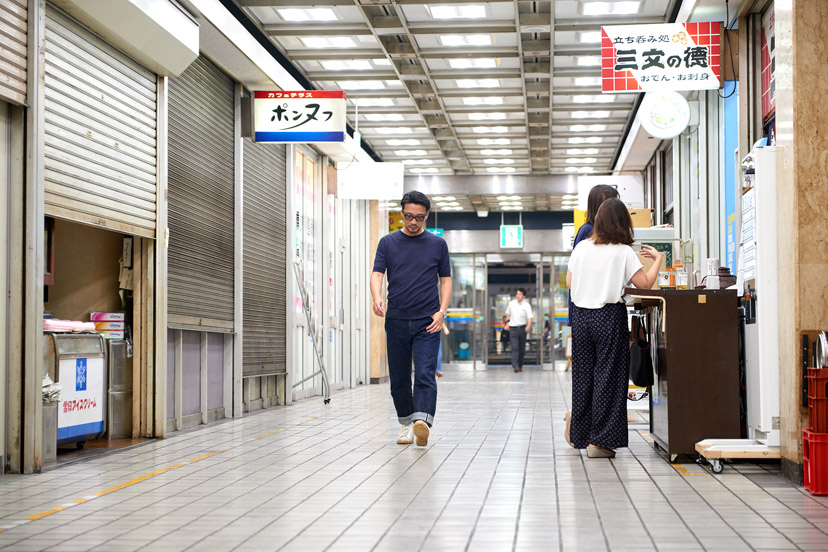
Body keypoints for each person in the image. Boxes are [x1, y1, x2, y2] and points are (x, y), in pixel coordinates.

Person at [565, 198, 662, 458]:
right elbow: (644, 285)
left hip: (582, 318)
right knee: (609, 377)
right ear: (623, 223)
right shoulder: (623, 252)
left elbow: (569, 281)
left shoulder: (582, 248)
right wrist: (658, 260)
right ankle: (601, 442)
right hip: (608, 316)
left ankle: (582, 437)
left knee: (584, 378)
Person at [371, 191, 452, 447]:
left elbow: (446, 280)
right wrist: (376, 297)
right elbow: (377, 274)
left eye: (419, 217)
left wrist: (442, 311)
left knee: (426, 374)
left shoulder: (437, 245)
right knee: (399, 378)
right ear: (402, 214)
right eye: (408, 216)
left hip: (428, 321)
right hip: (396, 320)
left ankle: (422, 423)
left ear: (426, 215)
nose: (413, 222)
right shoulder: (388, 242)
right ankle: (406, 423)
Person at [568, 185, 620, 325]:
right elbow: (574, 277)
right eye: (609, 203)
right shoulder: (588, 231)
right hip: (588, 311)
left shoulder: (598, 231)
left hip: (592, 309)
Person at [504, 288, 533, 372]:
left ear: (523, 296)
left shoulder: (527, 305)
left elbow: (530, 317)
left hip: (522, 329)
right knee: (515, 347)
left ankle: (520, 365)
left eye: (520, 294)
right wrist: (507, 323)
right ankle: (515, 366)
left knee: (521, 349)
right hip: (513, 329)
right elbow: (508, 315)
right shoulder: (511, 304)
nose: (518, 296)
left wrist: (529, 326)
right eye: (517, 294)